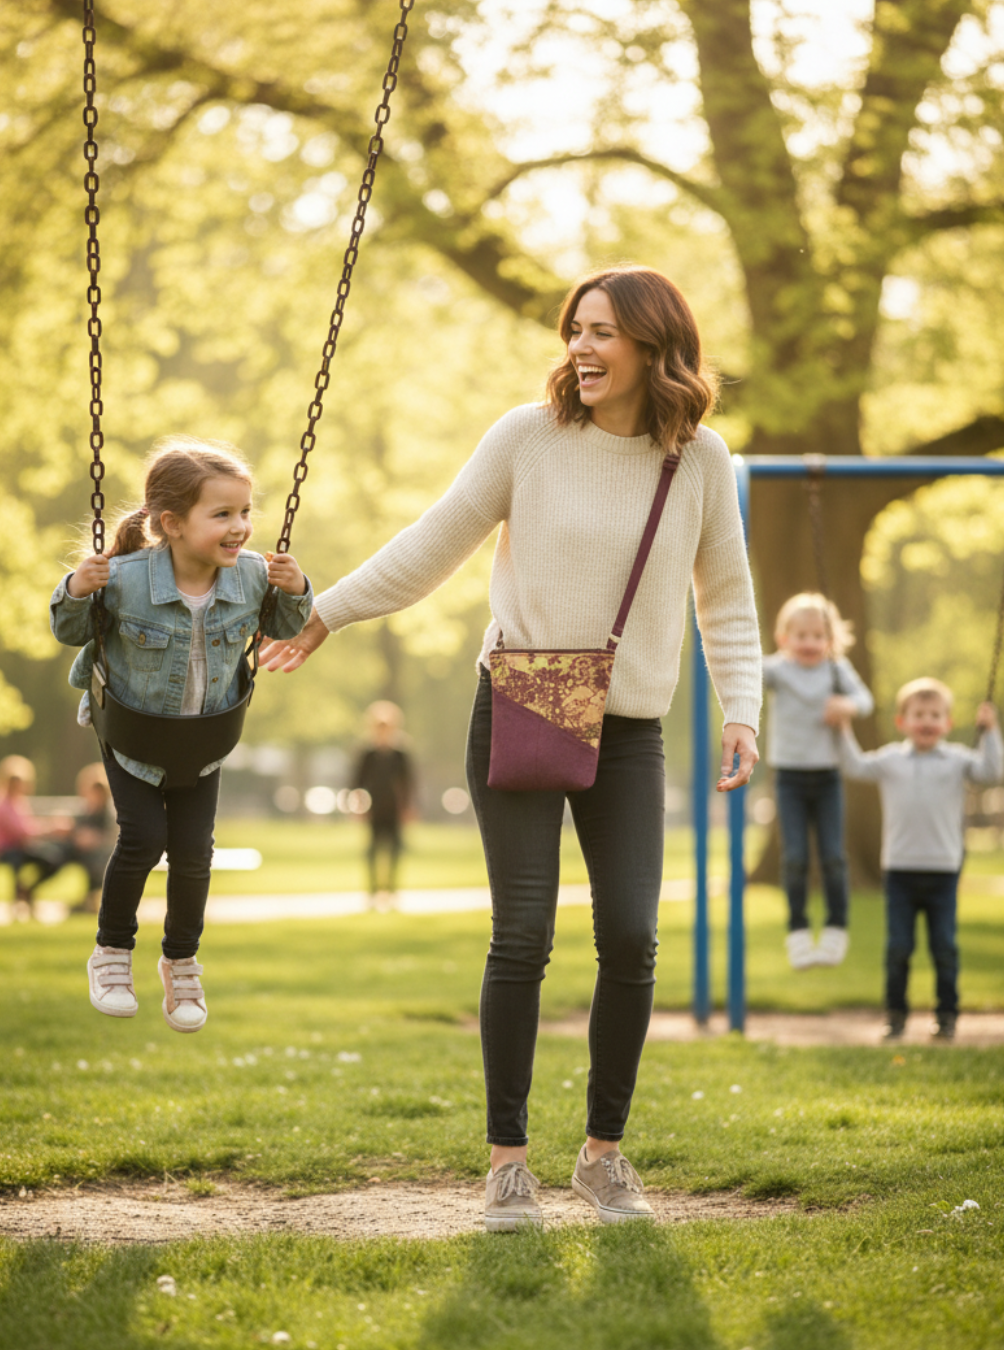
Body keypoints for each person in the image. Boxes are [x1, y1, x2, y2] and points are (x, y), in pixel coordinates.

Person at [261, 265, 762, 1231]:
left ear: (657, 345)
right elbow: (434, 542)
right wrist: (327, 613)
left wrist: (741, 707)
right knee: (522, 934)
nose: (579, 347)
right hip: (524, 705)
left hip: (627, 728)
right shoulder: (526, 439)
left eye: (603, 332)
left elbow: (727, 597)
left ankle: (603, 1155)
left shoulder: (701, 460)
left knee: (629, 934)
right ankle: (507, 1164)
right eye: (575, 329)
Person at [50, 438, 313, 1031]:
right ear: (170, 523)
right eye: (222, 514)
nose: (240, 527)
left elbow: (283, 624)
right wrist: (76, 590)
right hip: (131, 733)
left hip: (203, 736)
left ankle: (182, 962)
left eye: (245, 512)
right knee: (143, 836)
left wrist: (296, 590)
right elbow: (69, 631)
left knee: (195, 852)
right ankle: (112, 951)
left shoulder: (250, 577)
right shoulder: (123, 578)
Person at [837, 677, 1004, 1042]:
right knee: (899, 947)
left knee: (944, 947)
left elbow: (991, 772)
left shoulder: (958, 760)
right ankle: (895, 1015)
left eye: (935, 715)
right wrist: (843, 725)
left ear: (947, 722)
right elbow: (853, 766)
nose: (927, 721)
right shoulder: (890, 760)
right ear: (902, 722)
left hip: (944, 870)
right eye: (918, 714)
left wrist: (990, 731)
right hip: (899, 871)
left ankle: (947, 1017)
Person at [763, 593, 874, 970]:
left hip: (827, 776)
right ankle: (797, 930)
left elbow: (865, 699)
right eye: (801, 635)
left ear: (830, 639)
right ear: (784, 638)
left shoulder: (835, 670)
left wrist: (847, 706)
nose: (809, 643)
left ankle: (836, 927)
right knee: (794, 856)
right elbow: (746, 670)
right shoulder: (777, 670)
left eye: (817, 635)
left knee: (833, 856)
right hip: (789, 778)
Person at [351, 700, 416, 910]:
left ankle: (392, 890)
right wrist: (359, 808)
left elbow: (408, 782)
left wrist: (407, 808)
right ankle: (372, 892)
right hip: (374, 809)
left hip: (394, 809)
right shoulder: (367, 753)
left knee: (395, 850)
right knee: (372, 851)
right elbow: (358, 782)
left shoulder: (400, 753)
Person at [0, 756, 68, 919]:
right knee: (15, 859)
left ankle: (27, 891)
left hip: (21, 846)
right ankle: (17, 900)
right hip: (7, 849)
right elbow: (22, 832)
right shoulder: (1, 805)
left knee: (52, 859)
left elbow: (28, 828)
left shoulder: (19, 802)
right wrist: (52, 828)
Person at [57, 763, 117, 916]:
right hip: (87, 851)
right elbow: (77, 828)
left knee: (96, 862)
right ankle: (88, 900)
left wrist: (95, 839)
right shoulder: (87, 809)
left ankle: (91, 900)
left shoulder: (109, 812)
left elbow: (112, 836)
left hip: (104, 852)